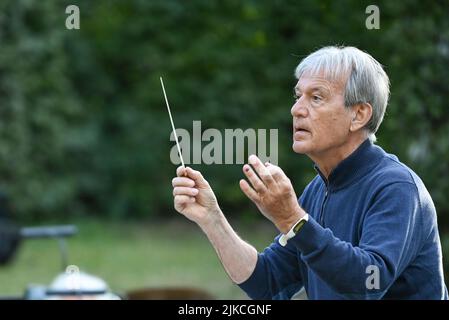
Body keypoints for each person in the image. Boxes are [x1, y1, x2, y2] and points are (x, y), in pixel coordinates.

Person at [171, 46, 448, 299]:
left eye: (316, 98)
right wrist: (212, 219)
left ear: (359, 115)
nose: (296, 109)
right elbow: (266, 282)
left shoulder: (397, 187)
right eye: (297, 96)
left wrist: (293, 219)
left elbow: (367, 283)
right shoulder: (318, 190)